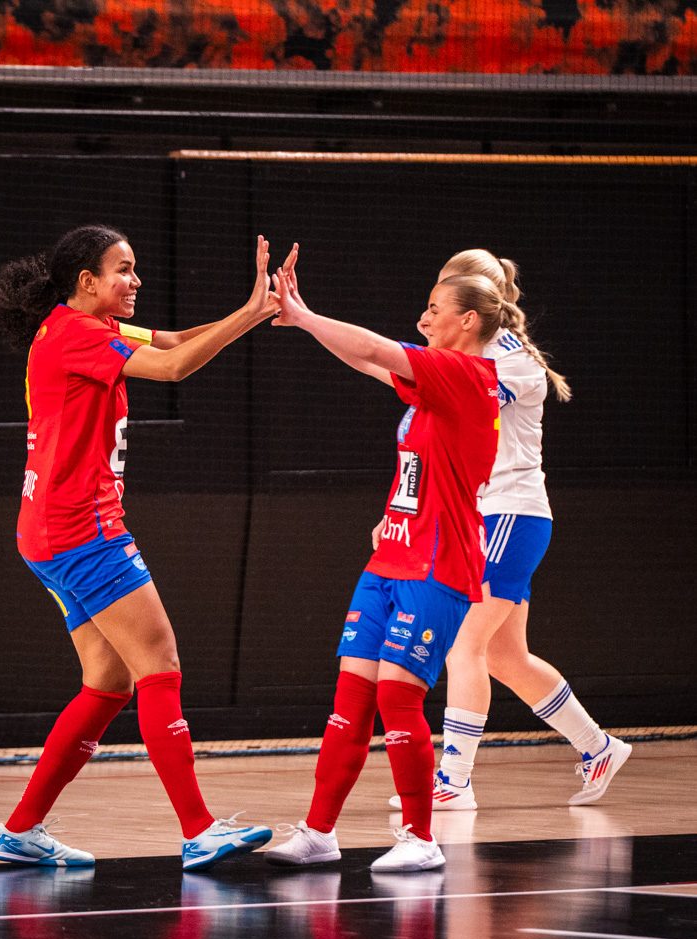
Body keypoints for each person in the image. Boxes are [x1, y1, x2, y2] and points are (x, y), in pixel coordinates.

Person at [0, 225, 296, 870]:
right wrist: (249, 312)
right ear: (86, 281)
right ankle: (198, 830)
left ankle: (20, 829)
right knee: (160, 664)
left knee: (107, 683)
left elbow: (175, 341)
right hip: (82, 530)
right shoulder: (76, 334)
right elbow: (176, 368)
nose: (135, 280)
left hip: (46, 532)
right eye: (123, 269)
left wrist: (254, 310)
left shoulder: (84, 328)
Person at [264, 267, 501, 872]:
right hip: (392, 555)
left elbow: (373, 347)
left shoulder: (468, 375)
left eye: (434, 308)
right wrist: (303, 323)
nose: (423, 318)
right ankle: (319, 832)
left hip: (437, 563)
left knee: (398, 697)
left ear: (468, 320)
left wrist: (305, 315)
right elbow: (367, 361)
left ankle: (420, 839)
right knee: (350, 700)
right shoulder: (432, 384)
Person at [386, 249, 631, 812]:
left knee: (462, 644)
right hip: (490, 515)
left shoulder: (509, 360)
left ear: (474, 306)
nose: (433, 312)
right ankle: (598, 748)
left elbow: (437, 389)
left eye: (442, 301)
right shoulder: (465, 352)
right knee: (504, 656)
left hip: (510, 515)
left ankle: (454, 779)